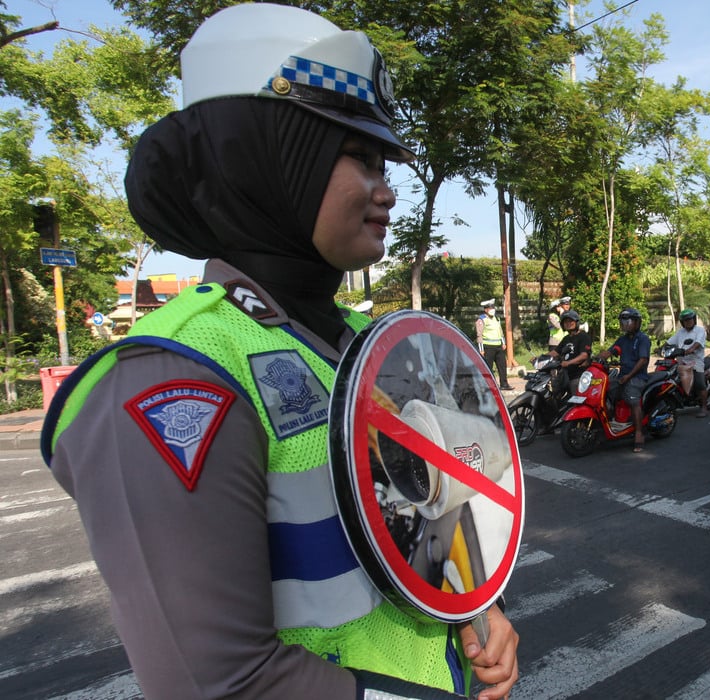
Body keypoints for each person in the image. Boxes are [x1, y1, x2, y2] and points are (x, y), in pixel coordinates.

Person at [39, 5, 517, 699]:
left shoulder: (358, 344)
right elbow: (217, 684)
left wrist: (477, 609)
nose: (387, 191)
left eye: (384, 163)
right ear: (262, 155)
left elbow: (418, 531)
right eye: (358, 157)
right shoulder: (173, 375)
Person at [597, 308, 651, 452]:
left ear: (637, 322)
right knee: (605, 390)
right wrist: (597, 358)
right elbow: (611, 351)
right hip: (623, 376)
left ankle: (639, 433)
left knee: (632, 398)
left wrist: (629, 376)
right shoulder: (622, 339)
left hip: (638, 377)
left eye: (628, 321)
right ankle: (613, 423)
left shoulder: (643, 339)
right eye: (623, 322)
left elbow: (643, 360)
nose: (625, 324)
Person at [666, 308, 709, 417]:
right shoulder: (681, 332)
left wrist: (689, 350)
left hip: (695, 360)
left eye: (690, 319)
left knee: (699, 383)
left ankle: (704, 407)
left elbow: (697, 343)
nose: (688, 322)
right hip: (682, 360)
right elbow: (670, 341)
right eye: (686, 320)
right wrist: (662, 347)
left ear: (694, 319)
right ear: (682, 322)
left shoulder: (700, 330)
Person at [548, 309, 592, 394]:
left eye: (570, 321)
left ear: (576, 322)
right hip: (565, 373)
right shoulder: (566, 338)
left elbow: (584, 355)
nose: (568, 323)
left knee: (574, 389)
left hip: (579, 374)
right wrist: (539, 358)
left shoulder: (583, 337)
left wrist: (568, 363)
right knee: (555, 390)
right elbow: (555, 352)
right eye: (565, 322)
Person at [476, 299, 513, 390]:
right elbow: (479, 335)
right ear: (486, 310)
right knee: (488, 367)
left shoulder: (496, 318)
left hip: (498, 346)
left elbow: (500, 332)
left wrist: (503, 342)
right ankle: (489, 386)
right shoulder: (481, 319)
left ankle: (504, 384)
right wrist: (481, 349)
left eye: (493, 307)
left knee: (502, 366)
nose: (492, 310)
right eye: (490, 308)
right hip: (488, 347)